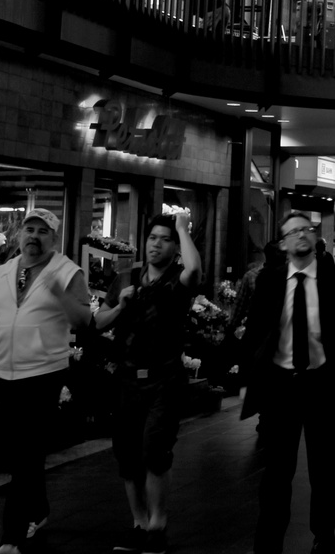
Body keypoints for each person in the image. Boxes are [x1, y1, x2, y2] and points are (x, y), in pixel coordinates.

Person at [0, 208, 93, 554]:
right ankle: (38, 510)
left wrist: (61, 294)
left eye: (43, 231)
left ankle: (11, 538)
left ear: (53, 238)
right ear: (19, 235)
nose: (34, 236)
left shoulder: (68, 272)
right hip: (3, 371)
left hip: (44, 371)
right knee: (20, 452)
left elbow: (84, 320)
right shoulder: (0, 273)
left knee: (26, 452)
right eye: (30, 229)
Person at [240, 210, 335, 554]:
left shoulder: (334, 280)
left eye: (306, 230)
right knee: (276, 473)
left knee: (325, 471)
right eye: (293, 232)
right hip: (280, 386)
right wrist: (246, 378)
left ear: (314, 237)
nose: (300, 235)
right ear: (283, 244)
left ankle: (323, 536)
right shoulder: (269, 281)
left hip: (323, 385)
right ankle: (269, 541)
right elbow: (254, 333)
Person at [94, 213, 201, 554]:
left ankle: (158, 523)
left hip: (165, 378)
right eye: (153, 237)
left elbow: (195, 269)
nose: (156, 243)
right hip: (126, 378)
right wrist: (121, 304)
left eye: (165, 239)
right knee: (127, 456)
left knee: (154, 450)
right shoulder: (126, 277)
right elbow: (98, 322)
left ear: (175, 247)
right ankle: (139, 523)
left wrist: (183, 230)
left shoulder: (177, 279)